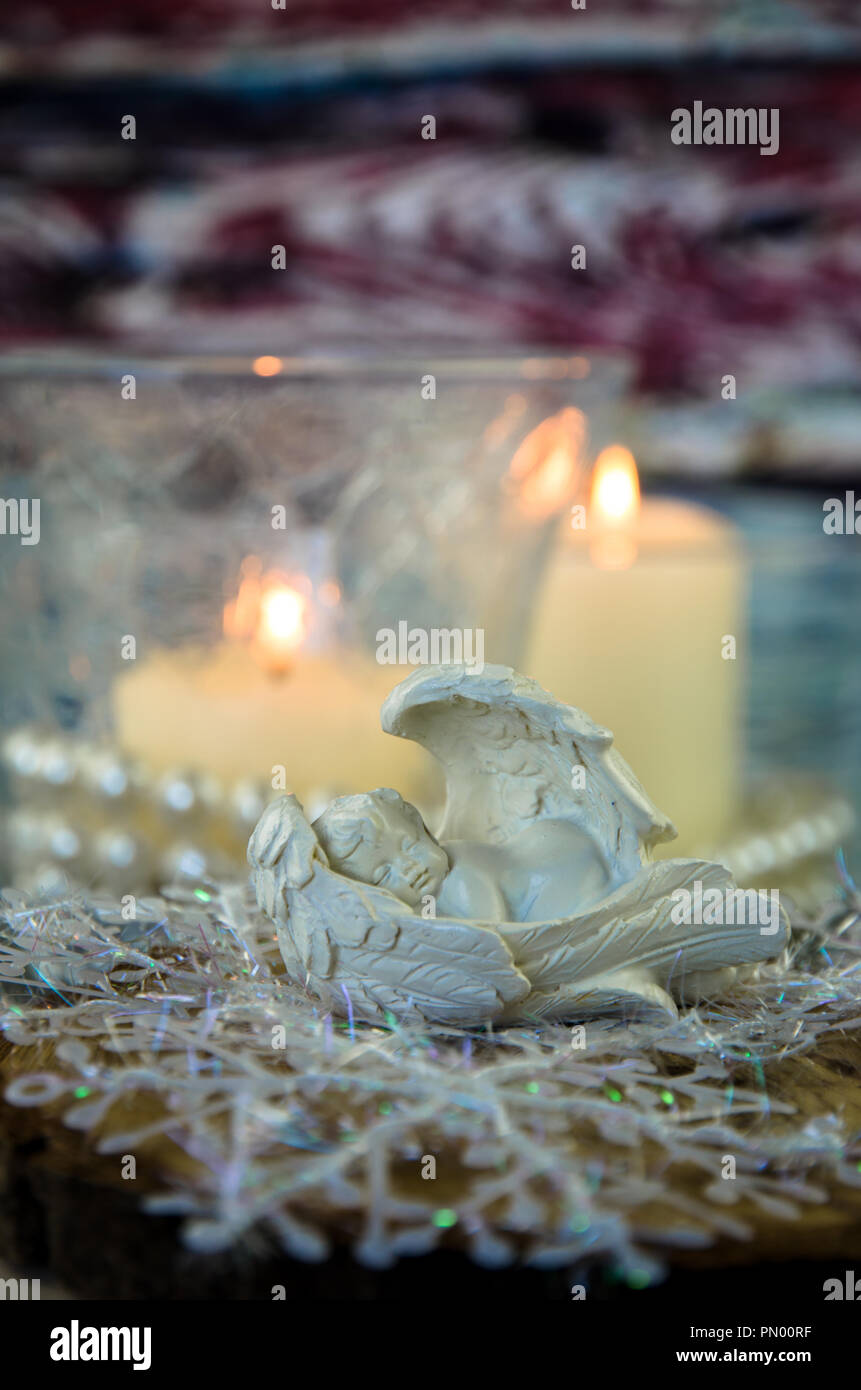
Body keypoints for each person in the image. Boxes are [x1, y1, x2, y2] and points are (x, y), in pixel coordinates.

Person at [313, 786, 610, 923]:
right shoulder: (431, 896)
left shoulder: (461, 875)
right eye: (384, 875)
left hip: (564, 873)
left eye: (411, 847)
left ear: (426, 831)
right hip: (553, 842)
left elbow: (493, 939)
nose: (409, 868)